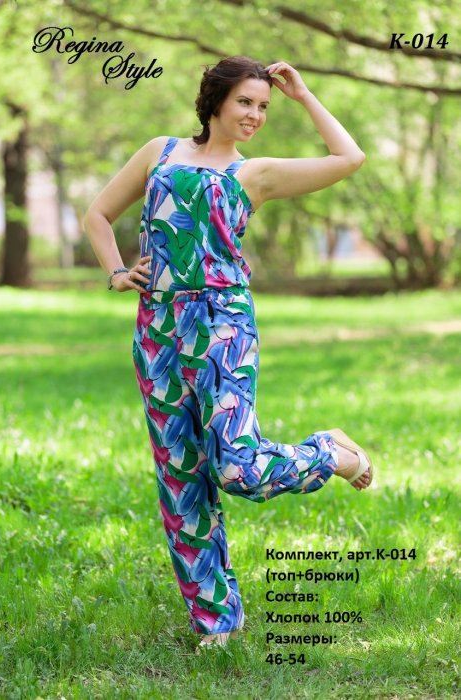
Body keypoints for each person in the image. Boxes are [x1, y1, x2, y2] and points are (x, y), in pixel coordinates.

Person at [82, 56, 373, 652]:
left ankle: (331, 453)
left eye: (263, 106)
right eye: (246, 102)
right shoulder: (160, 152)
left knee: (238, 468)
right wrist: (115, 271)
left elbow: (350, 158)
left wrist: (303, 95)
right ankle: (216, 621)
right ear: (214, 99)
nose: (255, 115)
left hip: (223, 325)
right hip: (157, 328)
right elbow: (98, 215)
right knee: (181, 478)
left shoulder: (255, 173)